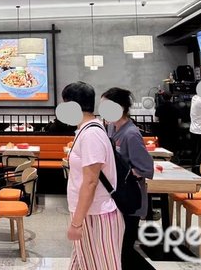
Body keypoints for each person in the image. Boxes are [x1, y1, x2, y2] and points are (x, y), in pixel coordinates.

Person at [64, 81, 124, 270]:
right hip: (88, 212)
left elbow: (90, 181)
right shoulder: (86, 130)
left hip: (96, 215)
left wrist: (76, 223)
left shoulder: (91, 135)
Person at [104, 88, 155, 269]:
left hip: (130, 200)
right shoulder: (111, 128)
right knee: (119, 251)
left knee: (124, 251)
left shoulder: (131, 134)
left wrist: (124, 172)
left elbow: (146, 168)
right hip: (117, 199)